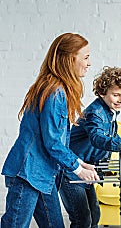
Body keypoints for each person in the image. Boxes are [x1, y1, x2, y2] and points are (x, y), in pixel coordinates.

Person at [1, 33, 99, 228]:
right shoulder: (55, 92)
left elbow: (58, 140)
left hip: (44, 175)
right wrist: (78, 170)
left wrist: (81, 163)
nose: (89, 63)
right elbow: (53, 142)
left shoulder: (58, 89)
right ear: (70, 59)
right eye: (86, 57)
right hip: (27, 174)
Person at [59, 66, 121, 228]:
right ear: (102, 93)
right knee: (82, 219)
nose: (120, 100)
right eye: (116, 95)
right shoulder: (95, 113)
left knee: (94, 215)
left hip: (89, 169)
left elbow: (111, 135)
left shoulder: (110, 111)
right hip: (72, 169)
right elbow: (97, 138)